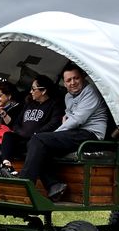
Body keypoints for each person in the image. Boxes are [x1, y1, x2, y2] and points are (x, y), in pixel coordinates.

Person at [19, 64, 111, 201]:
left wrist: (55, 133)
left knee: (39, 140)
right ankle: (54, 185)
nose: (73, 82)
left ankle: (24, 185)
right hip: (76, 133)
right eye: (68, 80)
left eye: (76, 78)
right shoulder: (68, 96)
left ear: (83, 78)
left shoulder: (91, 91)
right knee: (37, 144)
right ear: (64, 82)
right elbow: (68, 118)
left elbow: (77, 119)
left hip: (91, 135)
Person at [0, 74, 63, 175]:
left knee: (20, 147)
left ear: (43, 91)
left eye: (33, 89)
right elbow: (17, 122)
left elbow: (54, 123)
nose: (30, 91)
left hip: (37, 141)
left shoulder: (54, 104)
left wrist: (36, 133)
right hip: (22, 139)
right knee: (8, 136)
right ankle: (6, 164)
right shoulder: (29, 104)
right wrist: (19, 131)